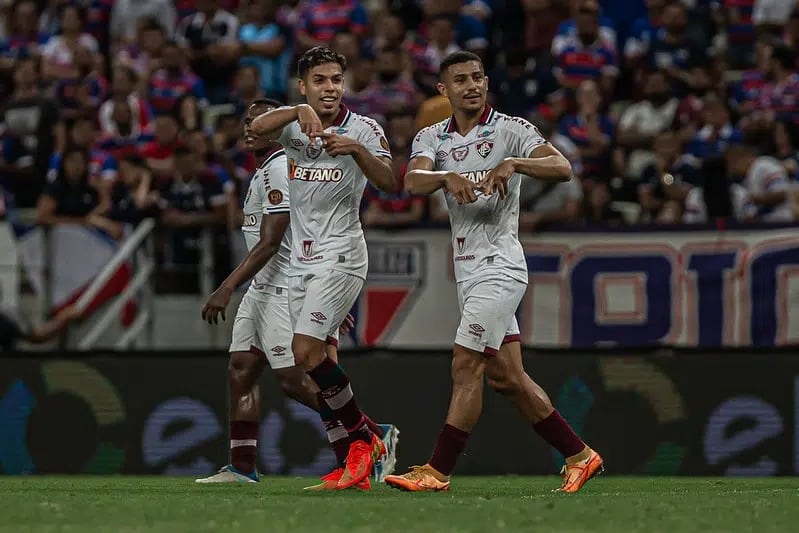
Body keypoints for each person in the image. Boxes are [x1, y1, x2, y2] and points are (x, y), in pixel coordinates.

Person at [384, 51, 603, 493]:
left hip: (500, 267)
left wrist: (515, 163)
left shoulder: (511, 129)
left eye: (478, 77)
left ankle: (437, 471)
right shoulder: (432, 137)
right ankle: (580, 456)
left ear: (486, 82)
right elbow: (412, 181)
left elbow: (562, 168)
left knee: (466, 365)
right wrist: (446, 177)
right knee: (509, 378)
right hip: (468, 272)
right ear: (444, 90)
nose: (471, 85)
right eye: (461, 80)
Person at [199, 98, 397, 489]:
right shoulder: (262, 170)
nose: (250, 127)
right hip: (263, 287)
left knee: (296, 380)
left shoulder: (281, 167)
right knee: (241, 367)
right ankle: (242, 467)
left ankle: (371, 435)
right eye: (247, 120)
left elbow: (272, 241)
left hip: (284, 284)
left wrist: (226, 286)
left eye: (259, 121)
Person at [249, 46, 395, 490]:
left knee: (305, 352)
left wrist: (356, 151)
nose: (329, 88)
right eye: (320, 81)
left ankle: (367, 440)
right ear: (304, 86)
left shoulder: (365, 129)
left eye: (335, 80)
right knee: (321, 364)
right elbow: (255, 128)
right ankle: (351, 465)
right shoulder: (294, 124)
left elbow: (391, 183)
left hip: (342, 254)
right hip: (301, 260)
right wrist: (298, 111)